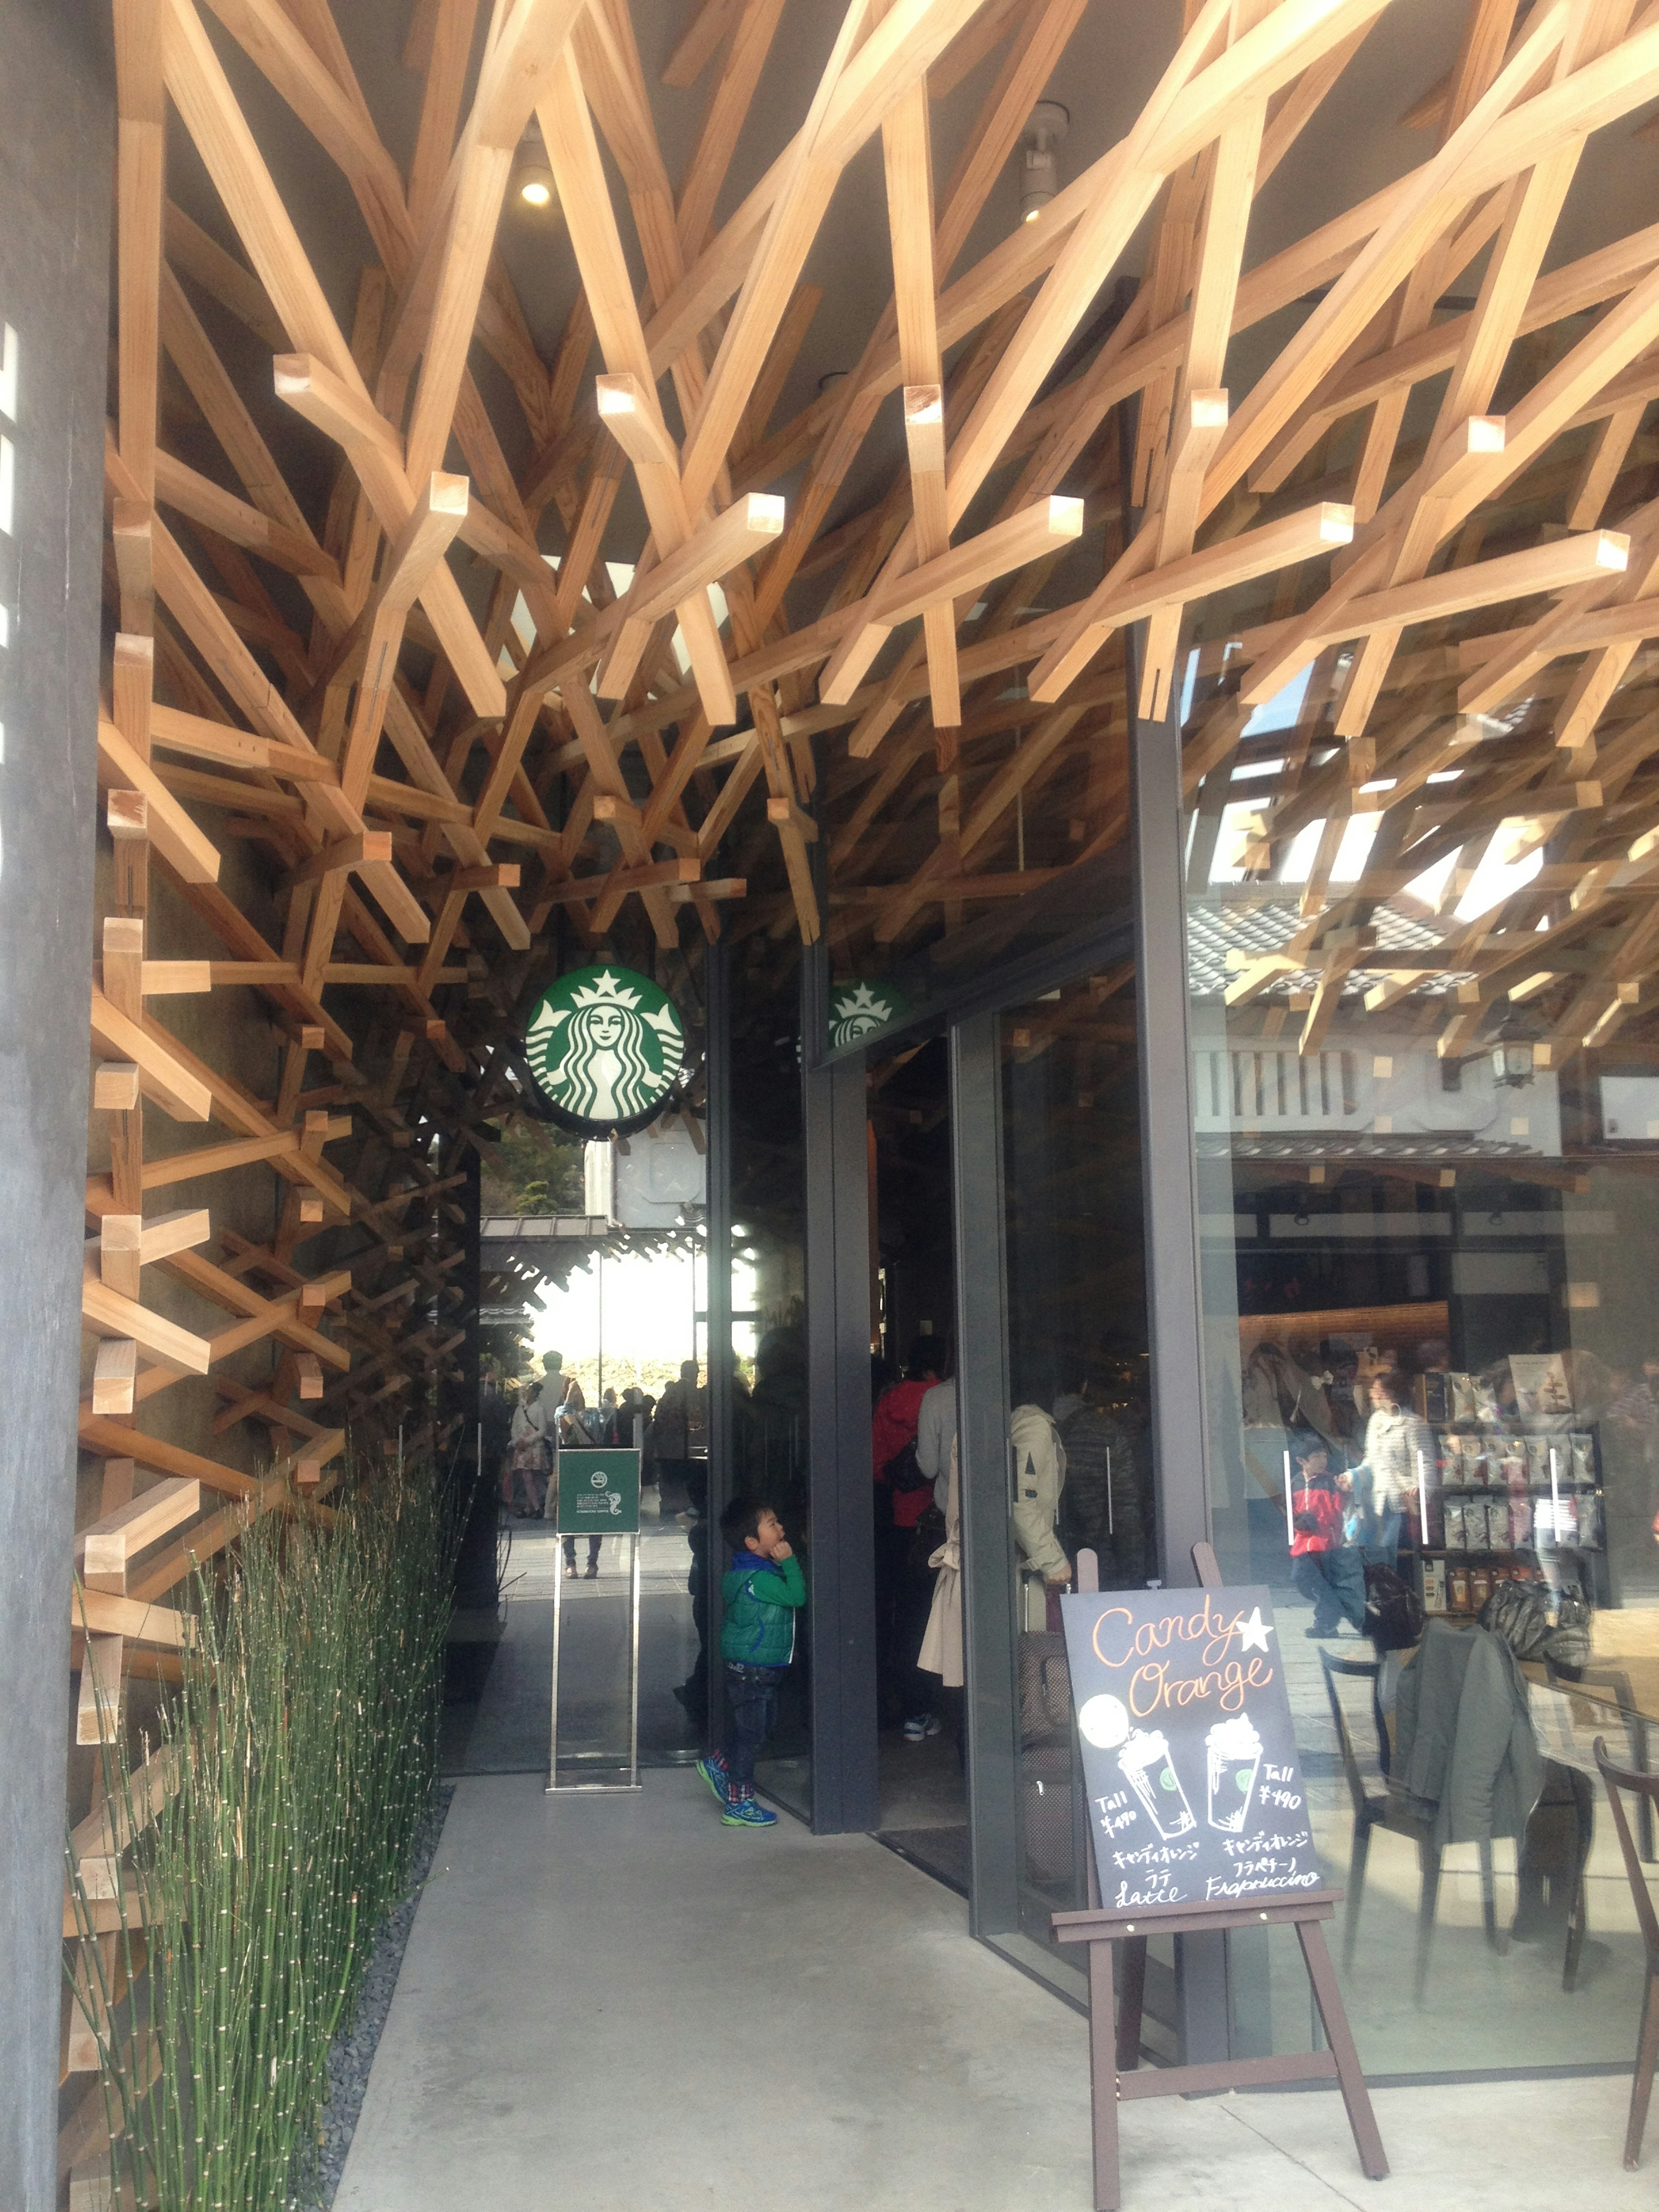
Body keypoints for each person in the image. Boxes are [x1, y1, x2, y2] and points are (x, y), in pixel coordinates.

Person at [696, 1498, 806, 1830]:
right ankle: (739, 1802)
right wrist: (791, 1562)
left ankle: (718, 1764)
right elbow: (798, 1596)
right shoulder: (761, 1579)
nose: (782, 1528)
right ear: (752, 1543)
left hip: (754, 1669)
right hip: (754, 1670)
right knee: (751, 1737)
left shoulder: (749, 1572)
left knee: (755, 1729)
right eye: (772, 1525)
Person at [872, 1337, 947, 1738]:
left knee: (907, 1616)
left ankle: (909, 1707)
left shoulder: (888, 1402)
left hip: (899, 1524)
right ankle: (936, 1704)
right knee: (942, 1616)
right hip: (939, 1524)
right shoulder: (946, 1399)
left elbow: (878, 1467)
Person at [1287, 1437, 1365, 1639]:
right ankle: (1334, 1608)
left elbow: (1339, 1510)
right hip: (1303, 1542)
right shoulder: (1294, 1483)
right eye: (1316, 1457)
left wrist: (1343, 1491)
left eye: (1324, 1456)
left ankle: (1325, 1624)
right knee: (1302, 1580)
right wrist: (1298, 1522)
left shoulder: (1330, 1481)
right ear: (1301, 1461)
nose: (1323, 1461)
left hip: (1325, 1543)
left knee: (1321, 1583)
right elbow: (1290, 1511)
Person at [1356, 1370, 1431, 1569]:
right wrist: (1353, 1476)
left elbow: (1424, 1462)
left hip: (1403, 1501)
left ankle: (1396, 1595)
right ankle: (1383, 1595)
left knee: (1395, 1553)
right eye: (1374, 1391)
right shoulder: (1375, 1421)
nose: (1373, 1395)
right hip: (1378, 1499)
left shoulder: (1414, 1424)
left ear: (1393, 1394)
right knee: (1377, 1552)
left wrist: (1421, 1490)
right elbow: (1371, 1458)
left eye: (1379, 1391)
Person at [651, 1359, 706, 1514]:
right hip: (685, 1450)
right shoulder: (691, 1393)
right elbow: (696, 1419)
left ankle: (668, 1514)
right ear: (695, 1374)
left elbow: (659, 1420)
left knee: (669, 1488)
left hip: (666, 1450)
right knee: (685, 1491)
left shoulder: (670, 1392)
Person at [507, 1381, 550, 1518]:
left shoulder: (540, 1409)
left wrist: (527, 1440)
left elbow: (542, 1430)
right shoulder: (520, 1409)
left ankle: (533, 1507)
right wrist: (517, 1440)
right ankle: (533, 1507)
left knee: (532, 1478)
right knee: (527, 1478)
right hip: (522, 1447)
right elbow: (514, 1427)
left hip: (534, 1447)